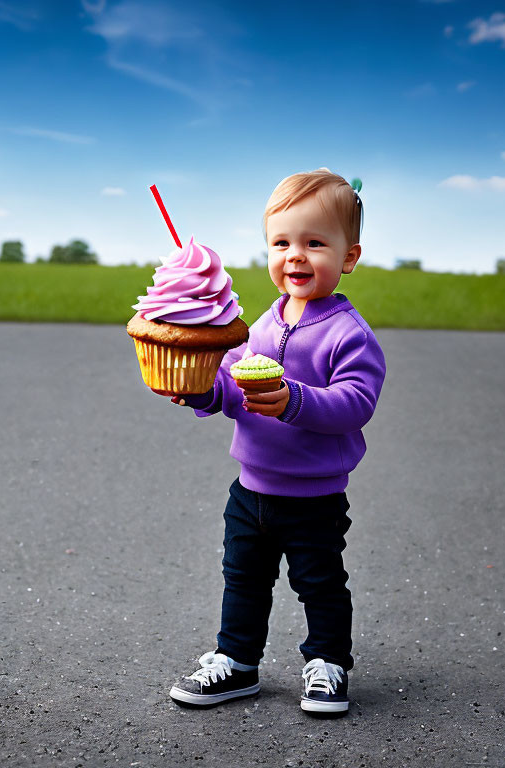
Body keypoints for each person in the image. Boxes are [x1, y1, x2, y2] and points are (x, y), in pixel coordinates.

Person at [158, 169, 386, 714]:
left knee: (320, 582)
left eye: (314, 243)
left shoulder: (348, 333)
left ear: (348, 256)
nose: (296, 256)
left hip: (314, 496)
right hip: (252, 488)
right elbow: (235, 384)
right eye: (281, 243)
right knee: (243, 579)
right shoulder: (263, 325)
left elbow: (357, 402)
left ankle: (328, 663)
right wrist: (202, 393)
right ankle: (236, 662)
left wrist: (294, 400)